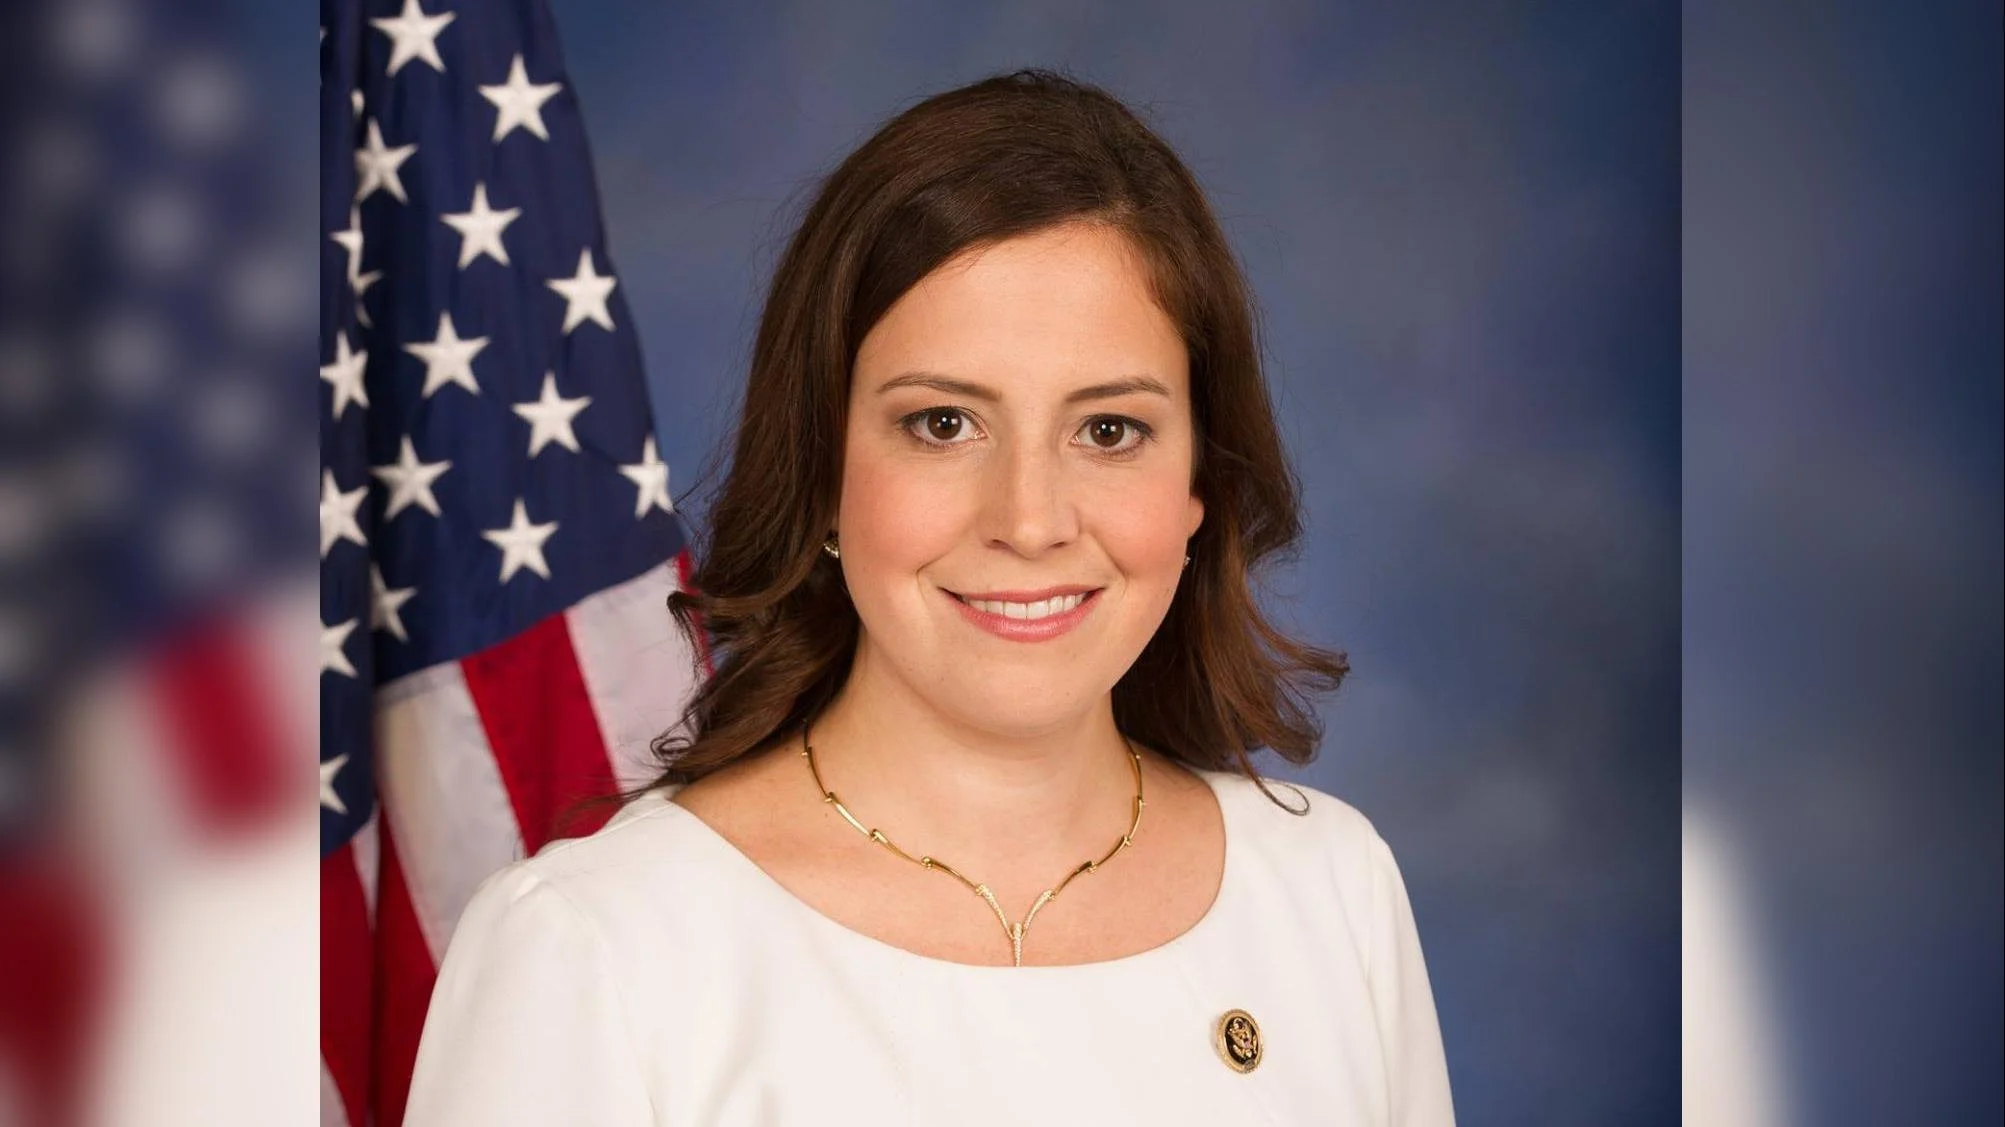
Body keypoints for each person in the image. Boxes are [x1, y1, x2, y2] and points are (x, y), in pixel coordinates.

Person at [403, 68, 1456, 1126]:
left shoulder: (1328, 891)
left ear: (1199, 487)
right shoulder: (599, 945)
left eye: (1108, 429)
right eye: (944, 423)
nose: (1031, 518)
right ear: (820, 471)